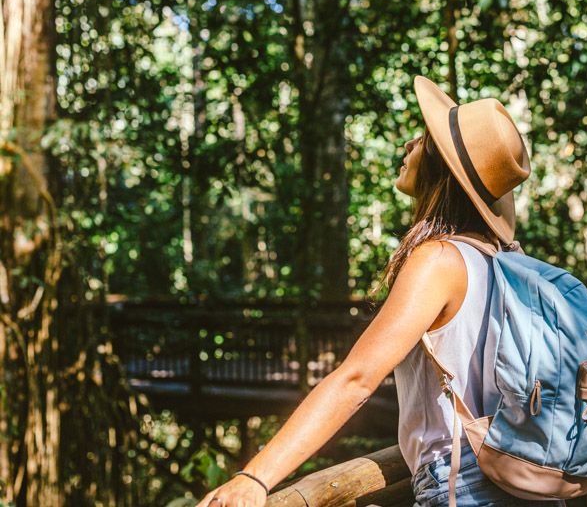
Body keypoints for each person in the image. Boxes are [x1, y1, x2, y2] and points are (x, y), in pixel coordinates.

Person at [198, 76, 564, 507]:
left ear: (440, 168)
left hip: (468, 487)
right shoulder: (496, 259)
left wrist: (255, 478)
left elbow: (356, 379)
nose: (407, 144)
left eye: (423, 139)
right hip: (520, 480)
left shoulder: (440, 259)